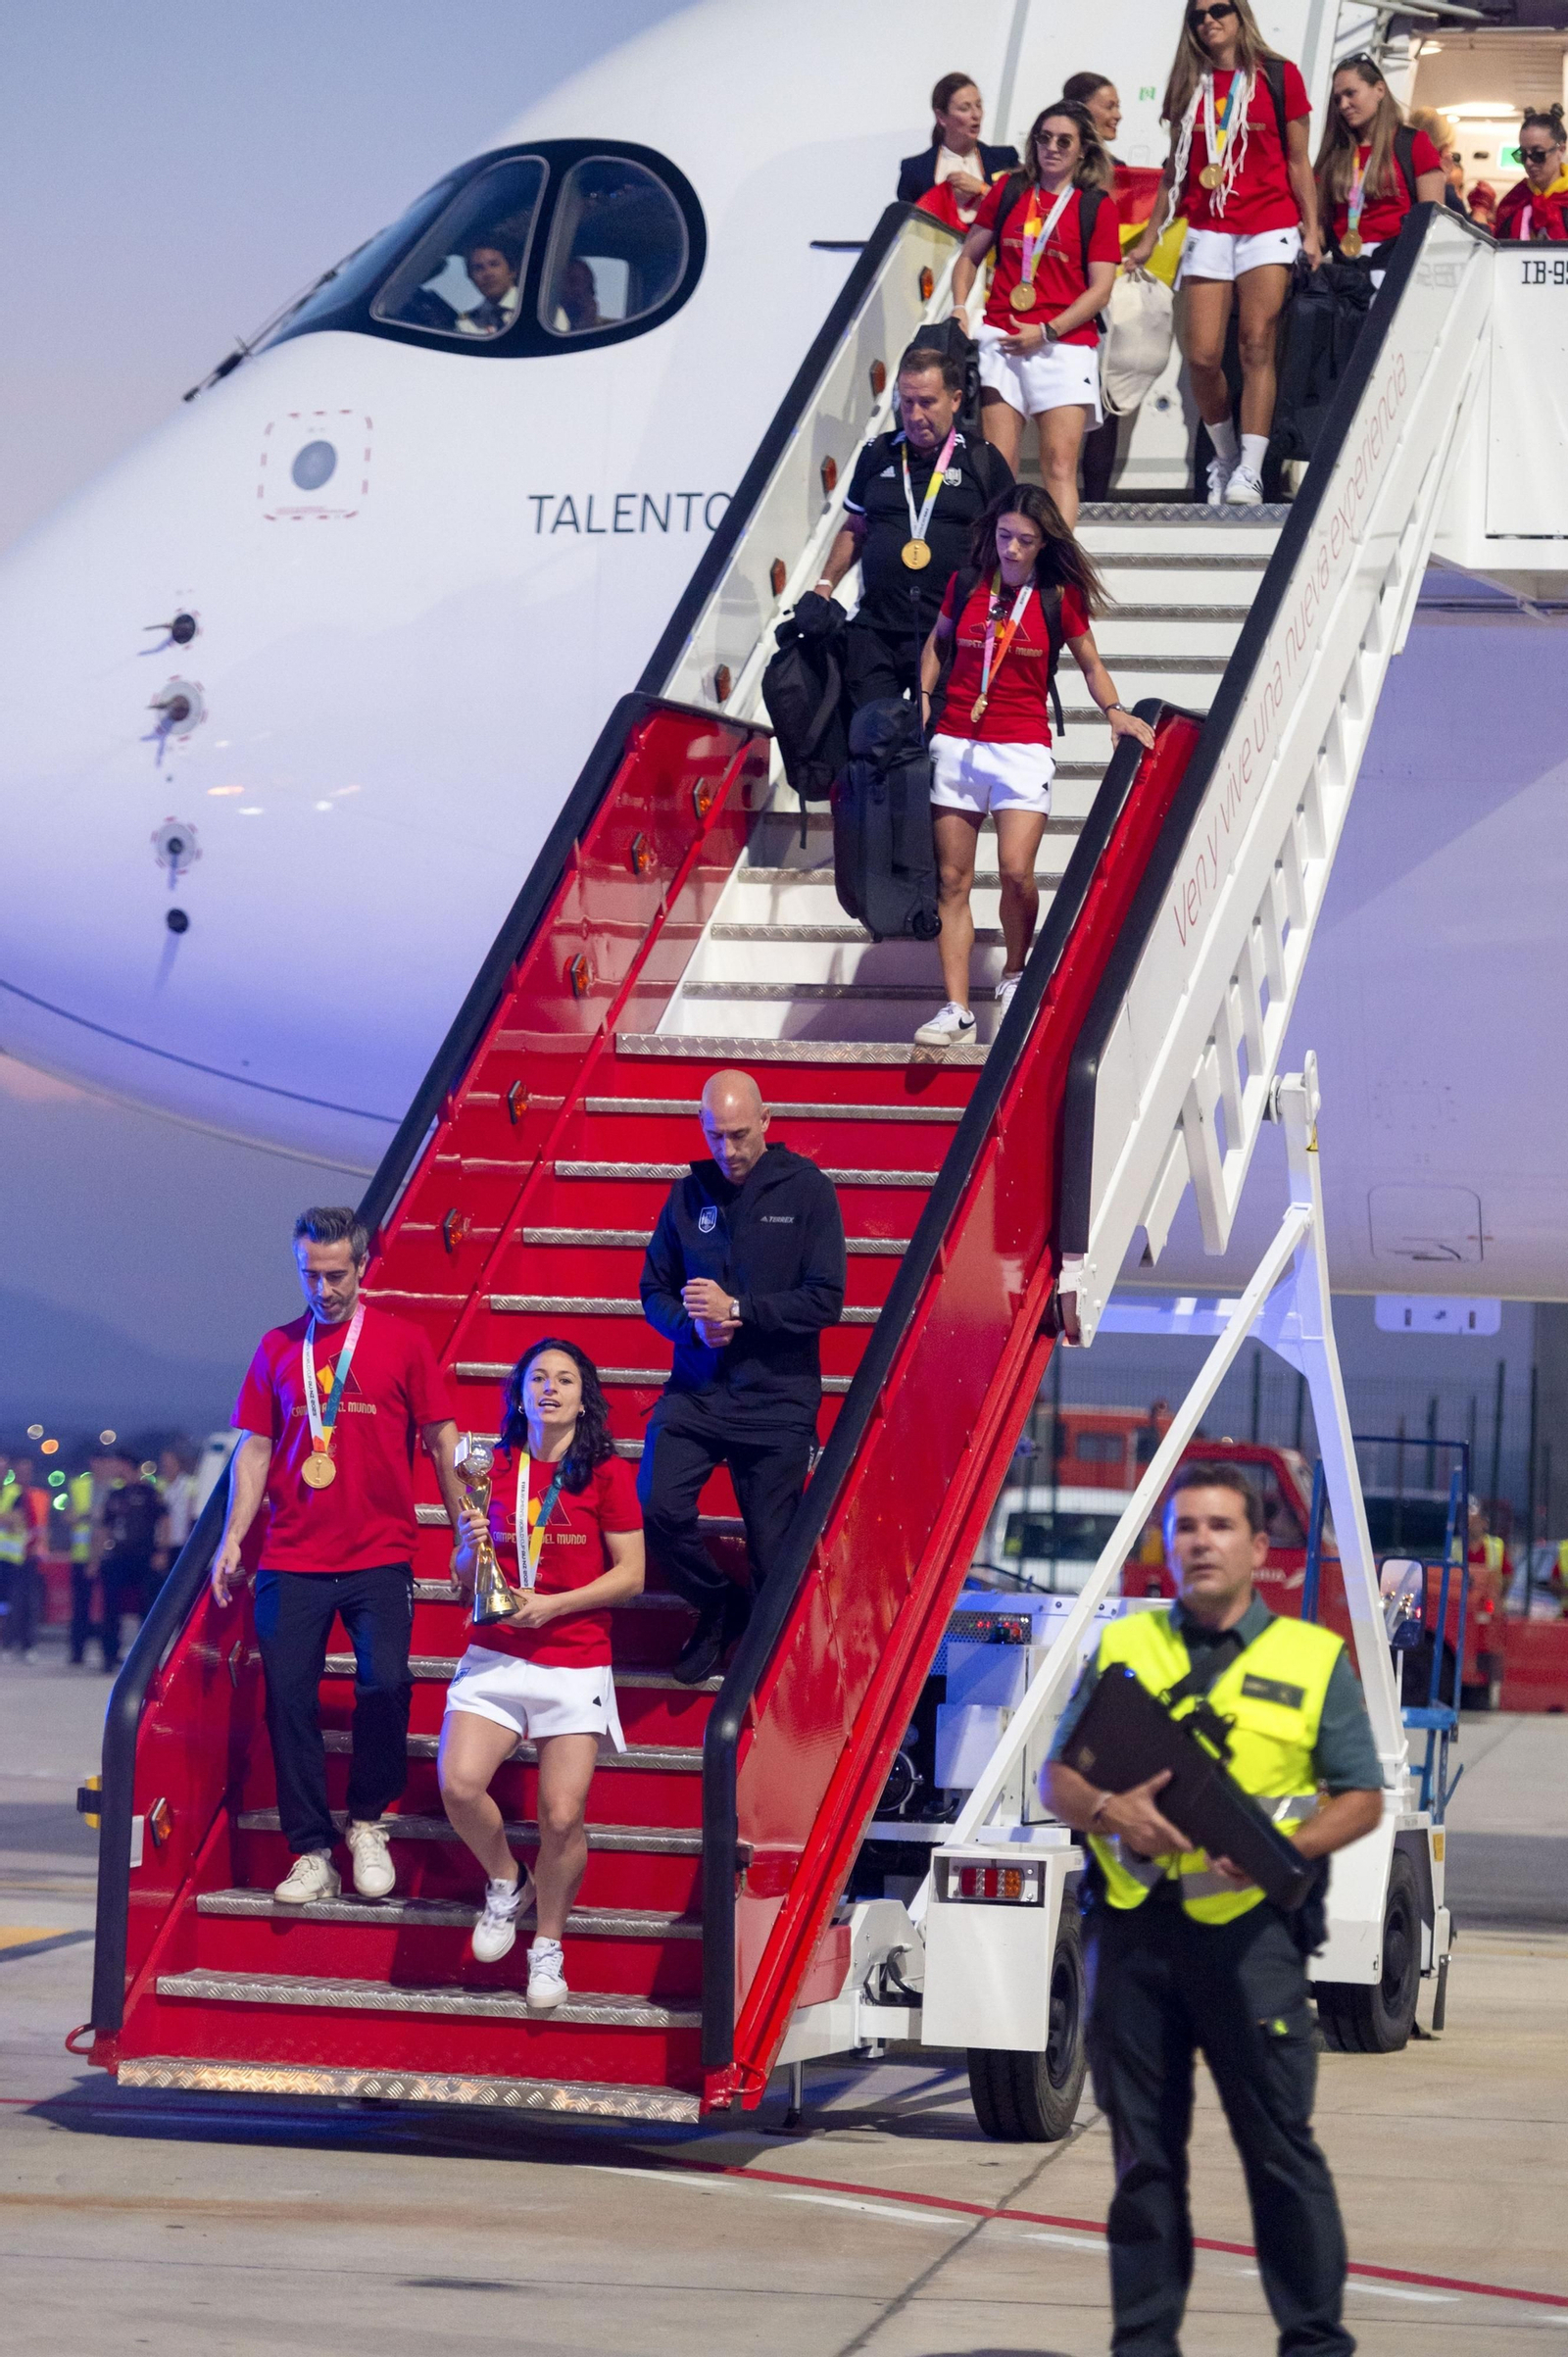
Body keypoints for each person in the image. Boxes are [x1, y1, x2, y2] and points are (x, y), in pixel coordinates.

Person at [1044, 1462, 1385, 2357]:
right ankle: (1145, 2346)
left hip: (1250, 1940)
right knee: (1144, 2160)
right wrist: (1107, 1811)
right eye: (1186, 1526)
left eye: (1220, 1526)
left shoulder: (1312, 1658)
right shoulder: (1126, 1649)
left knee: (1280, 2152)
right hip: (1135, 1936)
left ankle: (1314, 2342)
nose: (1200, 1541)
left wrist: (1283, 1850)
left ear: (1259, 1549)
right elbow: (1060, 1776)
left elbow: (1361, 1795)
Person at [212, 1205, 464, 1906]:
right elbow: (256, 1450)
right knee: (288, 1699)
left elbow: (444, 1442)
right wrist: (235, 1535)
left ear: (362, 1264)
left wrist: (468, 1535)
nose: (322, 1290)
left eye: (335, 1274)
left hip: (379, 1554)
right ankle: (311, 1851)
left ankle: (367, 1823)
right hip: (291, 1557)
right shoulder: (275, 1347)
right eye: (309, 1275)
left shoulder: (403, 1342)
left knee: (385, 1684)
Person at [440, 1339, 644, 2009]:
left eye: (565, 1379)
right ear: (520, 1392)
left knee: (561, 1813)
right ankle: (506, 1879)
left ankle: (548, 1945)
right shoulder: (490, 1466)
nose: (550, 1388)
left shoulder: (606, 1474)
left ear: (584, 1397)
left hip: (573, 1655)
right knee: (460, 1783)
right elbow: (461, 1581)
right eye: (538, 1378)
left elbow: (633, 1575)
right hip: (497, 1651)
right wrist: (469, 1553)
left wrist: (555, 1604)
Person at [913, 484, 1153, 1051]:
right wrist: (923, 699)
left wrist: (1114, 711)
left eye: (1024, 541)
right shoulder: (966, 583)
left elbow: (1090, 664)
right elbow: (937, 645)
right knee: (952, 880)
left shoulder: (1057, 596)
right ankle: (955, 1008)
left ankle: (1016, 971)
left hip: (1022, 747)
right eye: (1004, 537)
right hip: (956, 743)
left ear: (1044, 543)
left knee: (1017, 870)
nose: (1012, 550)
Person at [638, 1070, 845, 1687]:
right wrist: (691, 1327)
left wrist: (739, 1311)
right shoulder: (687, 1194)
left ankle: (762, 1669)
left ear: (766, 1122)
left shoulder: (808, 1190)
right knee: (658, 1505)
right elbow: (653, 1290)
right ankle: (717, 1605)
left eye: (738, 1135)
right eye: (715, 1136)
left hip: (777, 1399)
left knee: (773, 1547)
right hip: (698, 1393)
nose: (727, 1151)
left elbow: (825, 1300)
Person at [1127, 0, 1320, 507]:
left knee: (1257, 342)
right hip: (1208, 225)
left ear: (1241, 14)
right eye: (1197, 14)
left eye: (1219, 9)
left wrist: (1314, 229)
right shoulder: (1189, 82)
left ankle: (1253, 471)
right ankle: (1227, 456)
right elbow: (1175, 169)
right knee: (1203, 355)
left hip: (1269, 223)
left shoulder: (1279, 76)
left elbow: (1299, 161)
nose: (1208, 19)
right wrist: (1150, 237)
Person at [803, 344, 1013, 711]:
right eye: (906, 402)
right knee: (869, 743)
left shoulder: (982, 460)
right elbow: (856, 527)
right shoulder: (877, 453)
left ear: (955, 399)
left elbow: (1013, 536)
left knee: (935, 744)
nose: (915, 415)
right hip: (876, 630)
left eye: (927, 402)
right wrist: (824, 586)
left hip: (948, 632)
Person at [952, 102, 1121, 530]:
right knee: (999, 467)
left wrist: (1047, 330)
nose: (1052, 147)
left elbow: (1101, 289)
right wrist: (958, 308)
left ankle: (1057, 569)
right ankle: (1000, 562)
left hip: (1062, 345)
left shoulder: (1095, 205)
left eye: (1064, 140)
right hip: (1002, 340)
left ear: (1083, 149)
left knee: (1059, 467)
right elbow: (969, 257)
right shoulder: (1010, 191)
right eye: (1044, 138)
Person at [1063, 72, 1174, 502]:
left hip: (1105, 302)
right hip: (1061, 297)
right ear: (1081, 110)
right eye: (1108, 105)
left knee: (1105, 407)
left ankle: (1094, 504)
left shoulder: (1125, 176)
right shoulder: (1052, 170)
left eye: (1118, 105)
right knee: (1066, 408)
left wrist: (1169, 182)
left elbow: (1161, 212)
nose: (1118, 114)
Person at [1316, 57, 1445, 267]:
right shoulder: (1335, 151)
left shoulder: (1413, 143)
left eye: (1350, 93)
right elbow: (1320, 226)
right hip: (1343, 270)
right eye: (1338, 99)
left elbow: (1432, 221)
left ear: (1380, 90)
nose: (1344, 105)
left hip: (1395, 265)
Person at [897, 73, 1019, 225]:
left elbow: (1023, 215)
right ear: (941, 117)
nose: (976, 115)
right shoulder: (915, 170)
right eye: (965, 108)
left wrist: (983, 190)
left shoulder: (1005, 159)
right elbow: (908, 230)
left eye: (979, 105)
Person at [98, 1452, 163, 1672]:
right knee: (111, 1607)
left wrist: (161, 1551)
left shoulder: (149, 1493)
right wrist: (99, 1554)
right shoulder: (115, 1495)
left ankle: (146, 1658)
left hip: (143, 1557)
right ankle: (109, 1655)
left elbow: (164, 1520)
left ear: (127, 1465)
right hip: (118, 1557)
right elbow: (105, 1526)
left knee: (147, 1607)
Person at [1496, 107, 1568, 242]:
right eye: (1523, 155)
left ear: (1561, 149)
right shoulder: (1514, 201)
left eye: (1538, 154)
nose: (1529, 163)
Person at [458, 237, 523, 336]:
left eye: (494, 264)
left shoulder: (542, 310)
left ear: (512, 271)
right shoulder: (468, 324)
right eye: (478, 268)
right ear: (471, 277)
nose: (487, 273)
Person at [156, 1443, 200, 1579]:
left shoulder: (189, 1484)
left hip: (183, 1541)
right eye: (164, 1463)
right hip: (166, 1543)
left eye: (170, 1462)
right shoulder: (160, 1485)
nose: (167, 1466)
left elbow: (192, 1512)